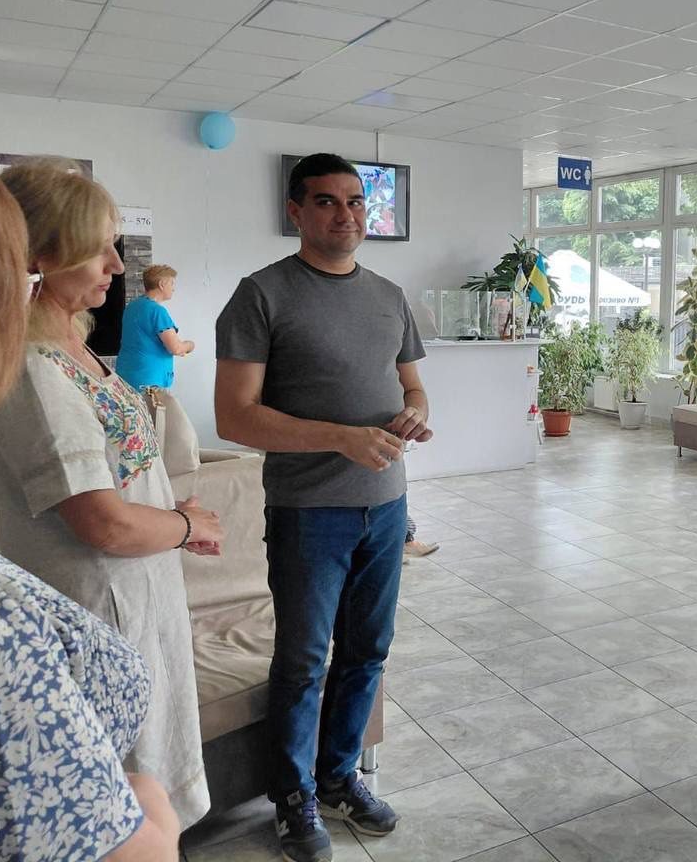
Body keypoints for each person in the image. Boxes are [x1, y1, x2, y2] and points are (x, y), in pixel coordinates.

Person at [0, 158, 220, 829]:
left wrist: (172, 517)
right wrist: (186, 524)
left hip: (139, 599)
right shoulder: (33, 370)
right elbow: (103, 523)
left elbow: (120, 477)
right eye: (98, 248)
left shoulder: (73, 348)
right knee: (125, 798)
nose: (116, 265)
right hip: (99, 607)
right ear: (40, 256)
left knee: (154, 782)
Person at [215, 152, 432, 862]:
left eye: (355, 201)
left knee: (368, 651)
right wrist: (340, 437)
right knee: (304, 660)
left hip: (387, 507)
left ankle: (338, 777)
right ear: (296, 211)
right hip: (310, 513)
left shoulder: (389, 295)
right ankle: (293, 796)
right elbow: (235, 416)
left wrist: (415, 413)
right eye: (327, 202)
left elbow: (413, 386)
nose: (346, 215)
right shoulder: (261, 295)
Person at [116, 264, 194, 391]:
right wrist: (190, 345)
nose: (173, 288)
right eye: (172, 283)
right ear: (162, 284)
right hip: (149, 382)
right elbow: (176, 348)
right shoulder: (157, 311)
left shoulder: (132, 307)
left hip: (125, 376)